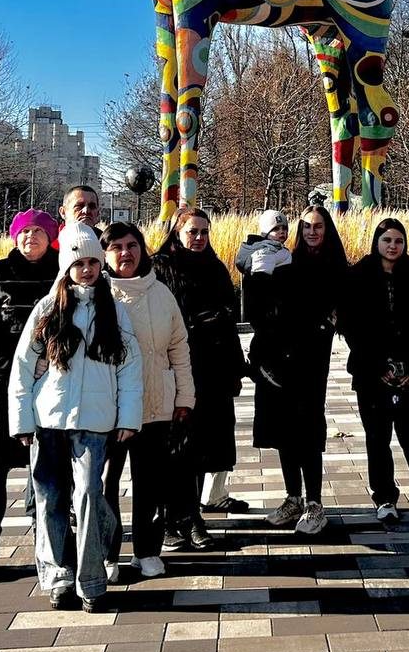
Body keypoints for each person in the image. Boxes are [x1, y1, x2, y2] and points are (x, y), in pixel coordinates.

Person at [8, 222, 142, 612]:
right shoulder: (48, 308)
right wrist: (22, 421)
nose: (86, 269)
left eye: (93, 262)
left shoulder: (114, 311)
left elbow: (129, 370)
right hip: (49, 420)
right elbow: (22, 365)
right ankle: (57, 576)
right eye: (79, 262)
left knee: (88, 496)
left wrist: (128, 418)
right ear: (66, 266)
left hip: (96, 422)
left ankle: (92, 580)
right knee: (50, 499)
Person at [0, 209, 61, 581]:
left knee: (45, 470)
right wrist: (10, 368)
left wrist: (49, 366)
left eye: (39, 232)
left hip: (49, 386)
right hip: (1, 387)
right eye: (25, 232)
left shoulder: (61, 273)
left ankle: (47, 544)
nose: (30, 238)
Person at [100, 222, 194, 580]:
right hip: (109, 408)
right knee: (105, 482)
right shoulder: (97, 293)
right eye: (117, 247)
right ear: (105, 254)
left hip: (156, 403)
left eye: (132, 245)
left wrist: (184, 396)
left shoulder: (161, 293)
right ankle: (107, 553)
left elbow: (179, 348)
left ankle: (147, 549)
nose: (126, 253)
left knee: (151, 481)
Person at [153, 207, 249, 548]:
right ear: (177, 232)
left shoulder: (215, 267)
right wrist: (196, 324)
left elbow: (229, 319)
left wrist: (235, 367)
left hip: (212, 369)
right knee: (173, 448)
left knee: (200, 449)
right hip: (175, 370)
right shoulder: (160, 267)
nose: (198, 238)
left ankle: (190, 515)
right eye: (192, 231)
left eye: (203, 232)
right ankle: (169, 518)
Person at [342, 218, 409, 521]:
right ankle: (385, 498)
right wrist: (377, 366)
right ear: (377, 242)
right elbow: (352, 328)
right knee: (378, 439)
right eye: (387, 240)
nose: (392, 246)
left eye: (398, 241)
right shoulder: (358, 276)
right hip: (371, 371)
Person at [246, 206, 344, 535]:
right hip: (281, 354)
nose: (312, 232)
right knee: (284, 429)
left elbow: (342, 306)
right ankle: (293, 497)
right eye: (306, 227)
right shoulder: (287, 259)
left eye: (318, 226)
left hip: (312, 358)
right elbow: (264, 297)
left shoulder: (334, 266)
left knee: (308, 428)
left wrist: (326, 323)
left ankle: (315, 502)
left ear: (327, 230)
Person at [234, 209, 293, 388]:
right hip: (269, 305)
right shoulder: (265, 251)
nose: (282, 232)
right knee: (267, 337)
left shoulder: (275, 249)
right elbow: (260, 277)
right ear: (266, 232)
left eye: (284, 228)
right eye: (276, 229)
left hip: (274, 305)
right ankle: (259, 363)